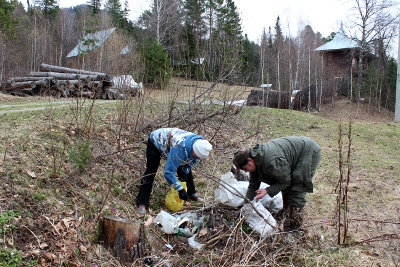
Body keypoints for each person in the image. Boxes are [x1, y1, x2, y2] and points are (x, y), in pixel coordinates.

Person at [233, 136, 321, 231]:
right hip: (291, 157)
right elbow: (253, 185)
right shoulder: (256, 160)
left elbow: (286, 181)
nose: (246, 172)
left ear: (250, 160)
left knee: (297, 189)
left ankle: (294, 230)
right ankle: (287, 216)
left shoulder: (271, 161)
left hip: (307, 152)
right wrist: (246, 205)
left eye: (245, 169)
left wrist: (267, 191)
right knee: (286, 188)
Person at [136, 128, 213, 214]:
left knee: (185, 169)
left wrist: (184, 173)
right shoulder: (179, 149)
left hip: (174, 147)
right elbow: (168, 173)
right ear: (193, 150)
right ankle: (142, 202)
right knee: (151, 170)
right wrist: (180, 189)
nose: (197, 158)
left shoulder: (200, 144)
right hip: (156, 141)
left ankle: (192, 193)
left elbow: (191, 161)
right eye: (196, 156)